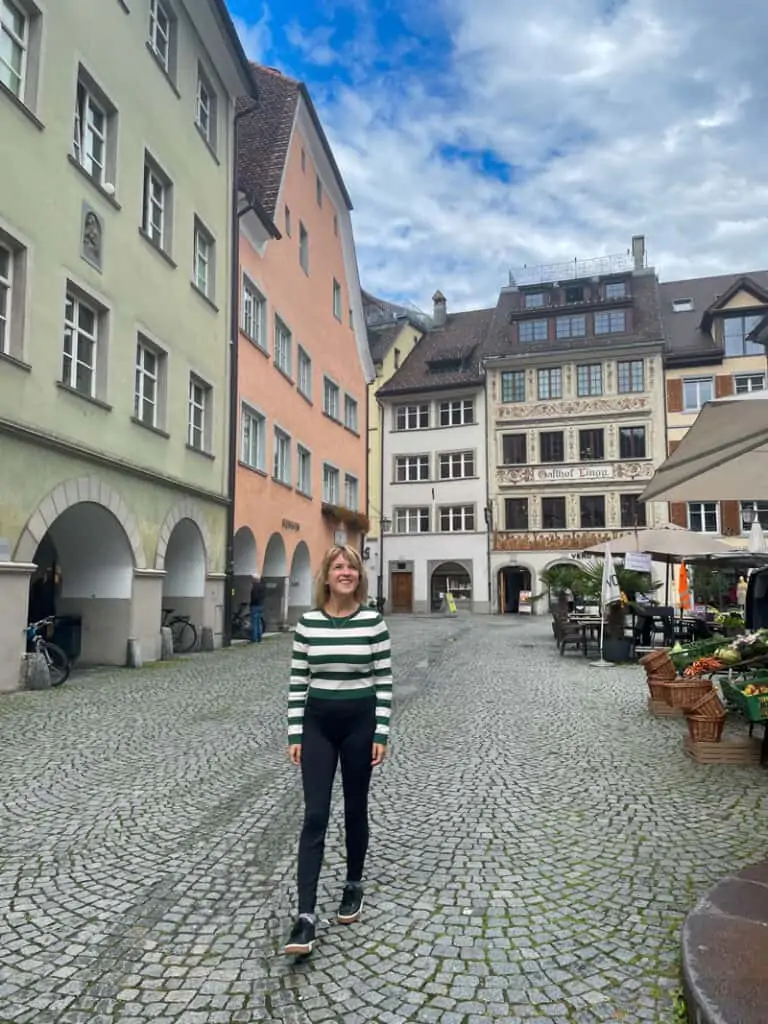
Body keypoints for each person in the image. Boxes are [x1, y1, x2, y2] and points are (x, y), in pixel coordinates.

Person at [283, 544, 392, 957]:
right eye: (337, 566)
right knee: (314, 814)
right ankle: (306, 916)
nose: (345, 572)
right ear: (326, 577)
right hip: (317, 725)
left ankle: (353, 884)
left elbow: (384, 681)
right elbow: (297, 682)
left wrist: (381, 732)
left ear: (358, 577)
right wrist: (295, 733)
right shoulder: (307, 624)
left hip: (360, 725)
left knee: (354, 807)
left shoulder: (373, 622)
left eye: (351, 567)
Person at [249, 574, 265, 643]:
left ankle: (254, 638)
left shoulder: (255, 587)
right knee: (259, 623)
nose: (252, 580)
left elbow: (255, 596)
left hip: (255, 606)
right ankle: (259, 637)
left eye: (252, 579)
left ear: (255, 579)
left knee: (254, 623)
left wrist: (252, 602)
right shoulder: (262, 586)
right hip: (260, 605)